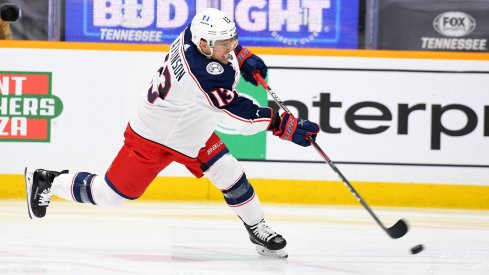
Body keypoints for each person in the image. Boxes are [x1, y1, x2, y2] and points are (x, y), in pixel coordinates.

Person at [24, 8, 320, 259]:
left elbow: (222, 54)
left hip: (192, 128)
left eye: (231, 41)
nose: (228, 47)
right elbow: (238, 113)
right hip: (153, 135)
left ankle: (258, 229)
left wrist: (241, 55)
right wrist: (283, 125)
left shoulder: (191, 37)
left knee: (229, 171)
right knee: (111, 196)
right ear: (203, 44)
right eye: (223, 45)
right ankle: (48, 181)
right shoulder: (202, 74)